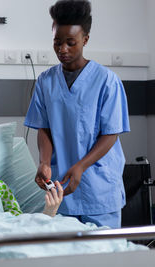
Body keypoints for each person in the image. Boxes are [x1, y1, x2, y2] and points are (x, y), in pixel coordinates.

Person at [24, 0, 130, 228]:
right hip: (63, 186)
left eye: (70, 43)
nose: (63, 49)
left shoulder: (106, 81)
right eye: (57, 42)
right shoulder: (46, 81)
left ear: (85, 40)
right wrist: (43, 162)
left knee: (104, 255)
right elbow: (44, 127)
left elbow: (110, 134)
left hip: (99, 186)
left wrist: (81, 166)